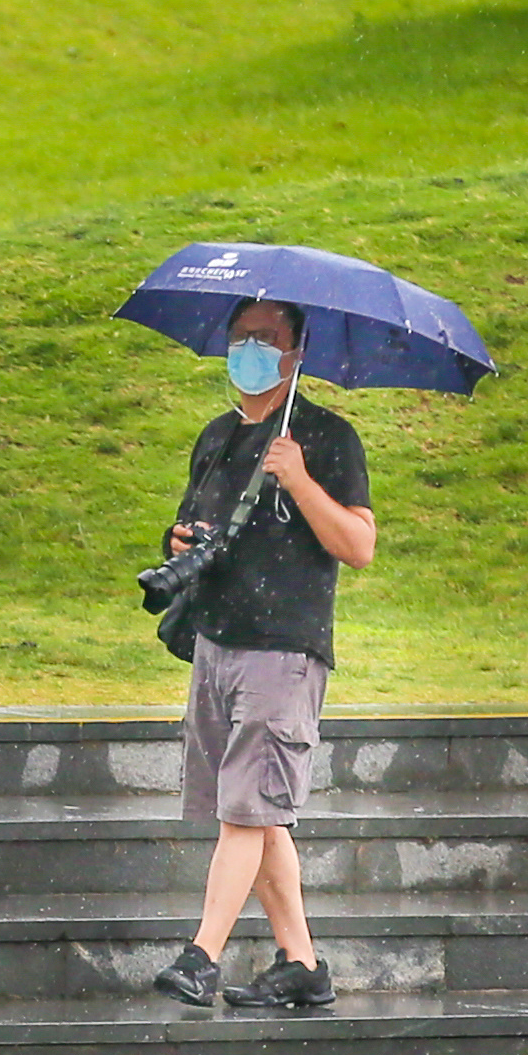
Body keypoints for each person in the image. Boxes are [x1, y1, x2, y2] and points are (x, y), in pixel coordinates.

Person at [149, 297, 376, 1010]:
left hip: (283, 649)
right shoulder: (216, 436)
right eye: (239, 337)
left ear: (295, 353)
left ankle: (201, 955)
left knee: (245, 811)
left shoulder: (325, 438)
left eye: (265, 339)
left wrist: (300, 479)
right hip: (217, 641)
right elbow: (202, 530)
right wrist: (179, 545)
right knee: (254, 807)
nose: (248, 350)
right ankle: (301, 964)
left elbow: (357, 545)